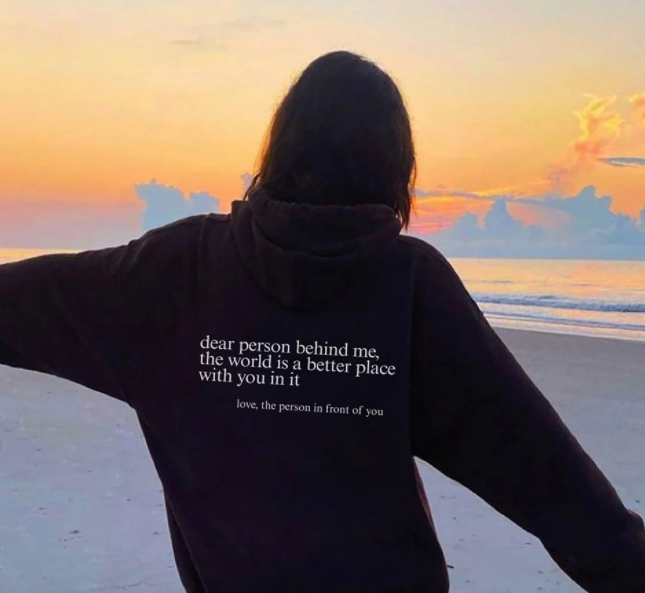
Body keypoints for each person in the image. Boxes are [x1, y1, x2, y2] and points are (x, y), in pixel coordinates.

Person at [1, 50, 644, 593]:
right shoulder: (408, 285)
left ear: (280, 148)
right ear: (395, 167)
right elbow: (550, 479)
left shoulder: (170, 273)